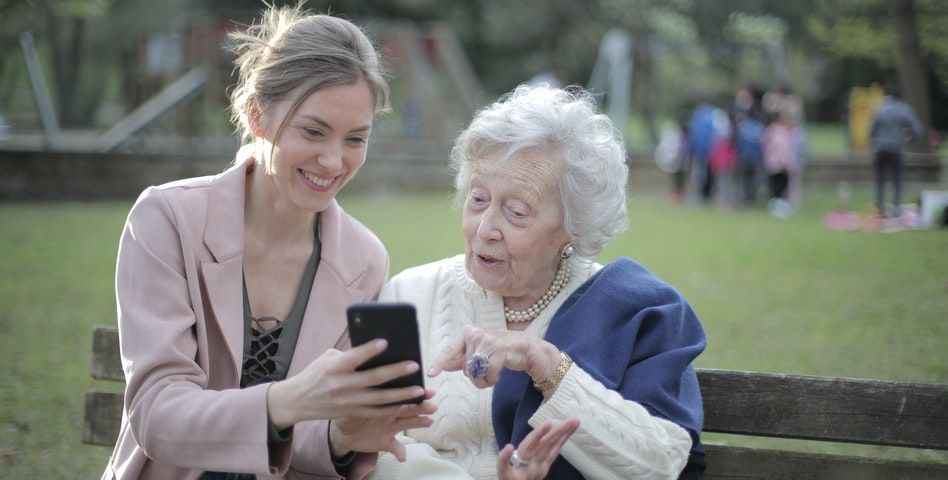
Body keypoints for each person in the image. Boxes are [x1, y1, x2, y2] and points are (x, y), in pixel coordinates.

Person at [103, 5, 437, 479]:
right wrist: (286, 400)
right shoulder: (167, 219)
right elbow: (156, 413)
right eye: (313, 131)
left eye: (355, 139)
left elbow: (307, 436)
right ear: (257, 115)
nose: (333, 161)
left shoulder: (364, 260)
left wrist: (340, 437)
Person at [369, 85, 707, 479]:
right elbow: (369, 443)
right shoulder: (408, 295)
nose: (485, 229)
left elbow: (664, 463)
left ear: (574, 227)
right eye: (478, 199)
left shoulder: (634, 309)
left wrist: (546, 364)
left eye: (516, 211)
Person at [870, 82, 925, 216]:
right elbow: (918, 130)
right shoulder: (904, 109)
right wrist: (908, 138)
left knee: (880, 180)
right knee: (897, 180)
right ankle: (896, 208)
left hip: (880, 149)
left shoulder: (879, 108)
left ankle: (880, 208)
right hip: (896, 148)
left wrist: (874, 144)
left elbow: (872, 131)